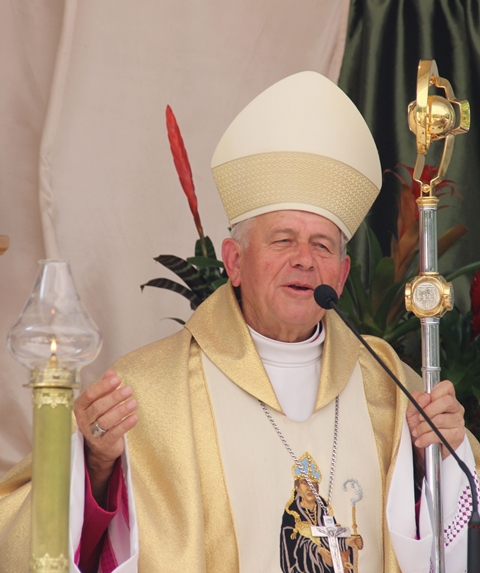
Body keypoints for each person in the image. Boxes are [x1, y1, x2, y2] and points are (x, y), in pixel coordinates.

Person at [1, 71, 479, 573]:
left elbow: (453, 525)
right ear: (234, 262)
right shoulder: (147, 389)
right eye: (282, 240)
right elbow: (25, 541)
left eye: (322, 246)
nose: (303, 259)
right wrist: (97, 467)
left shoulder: (388, 382)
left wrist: (440, 458)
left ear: (340, 277)